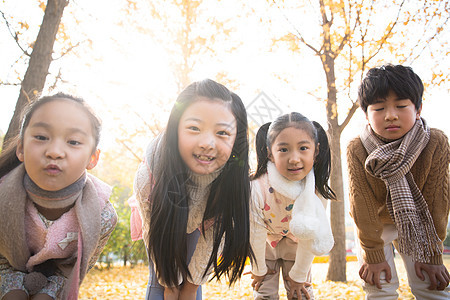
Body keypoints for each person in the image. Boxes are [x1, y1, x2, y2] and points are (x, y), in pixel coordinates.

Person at [129, 79, 253, 300]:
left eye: (222, 133)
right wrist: (170, 285)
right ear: (176, 129)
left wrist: (190, 288)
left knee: (191, 283)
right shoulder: (148, 178)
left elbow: (209, 245)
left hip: (203, 224)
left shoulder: (231, 180)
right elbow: (157, 239)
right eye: (194, 128)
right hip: (164, 221)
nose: (207, 143)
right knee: (162, 282)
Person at [0, 93, 118, 300]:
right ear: (21, 148)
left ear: (93, 158)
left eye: (73, 141)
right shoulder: (3, 197)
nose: (54, 152)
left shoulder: (102, 215)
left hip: (57, 277)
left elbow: (75, 270)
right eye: (41, 137)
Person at [347, 64, 450, 299]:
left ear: (418, 108)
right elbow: (361, 206)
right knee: (379, 287)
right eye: (379, 108)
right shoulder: (357, 148)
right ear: (366, 114)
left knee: (432, 287)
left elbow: (437, 203)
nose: (390, 115)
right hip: (375, 227)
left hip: (419, 223)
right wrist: (372, 254)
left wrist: (434, 256)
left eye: (401, 106)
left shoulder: (435, 141)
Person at [249, 112, 336, 300]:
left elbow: (310, 235)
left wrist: (299, 275)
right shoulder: (257, 187)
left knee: (301, 293)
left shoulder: (316, 190)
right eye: (283, 150)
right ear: (269, 153)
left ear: (316, 150)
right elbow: (254, 231)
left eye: (303, 148)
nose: (294, 158)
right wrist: (258, 269)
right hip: (264, 247)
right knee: (263, 294)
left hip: (298, 248)